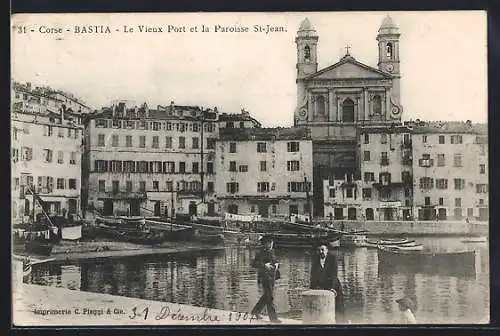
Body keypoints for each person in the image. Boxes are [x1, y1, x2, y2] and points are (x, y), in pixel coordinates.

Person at [310, 242, 345, 323]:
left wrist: (332, 288)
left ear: (327, 250)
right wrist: (312, 288)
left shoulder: (333, 258)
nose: (321, 252)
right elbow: (313, 275)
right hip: (322, 285)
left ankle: (342, 324)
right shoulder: (315, 258)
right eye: (319, 250)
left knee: (339, 308)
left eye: (323, 250)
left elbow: (334, 274)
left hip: (334, 285)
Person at [250, 234, 281, 323]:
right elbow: (254, 264)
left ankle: (255, 311)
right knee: (270, 297)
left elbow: (275, 261)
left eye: (271, 242)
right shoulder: (260, 253)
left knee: (266, 296)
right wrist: (264, 265)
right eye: (269, 242)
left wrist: (277, 264)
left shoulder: (272, 251)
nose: (271, 244)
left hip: (272, 277)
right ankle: (273, 318)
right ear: (264, 244)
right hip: (265, 278)